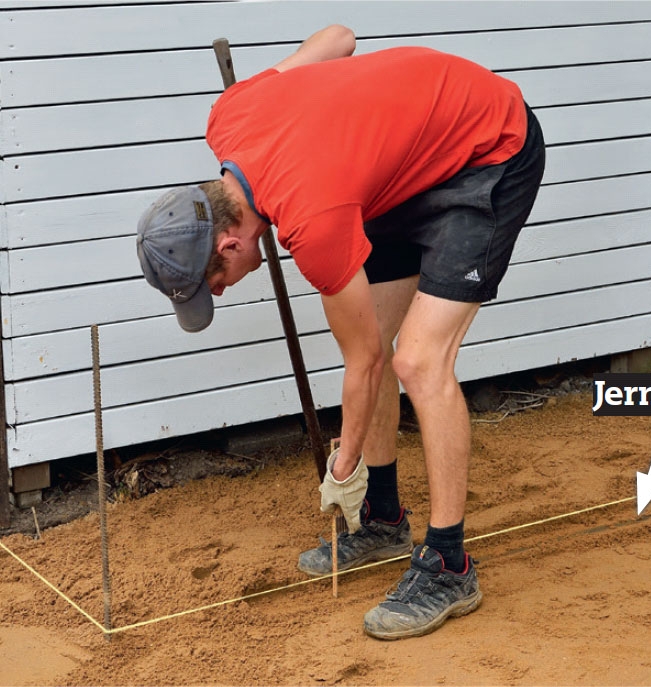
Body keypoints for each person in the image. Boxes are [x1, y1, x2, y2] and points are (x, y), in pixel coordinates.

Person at [137, 24, 545, 640]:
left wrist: (344, 463)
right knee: (372, 331)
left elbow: (368, 363)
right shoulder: (231, 116)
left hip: (487, 149)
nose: (218, 294)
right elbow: (338, 39)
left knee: (417, 360)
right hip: (401, 172)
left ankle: (449, 565)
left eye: (211, 284)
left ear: (229, 244)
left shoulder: (314, 221)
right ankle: (382, 518)